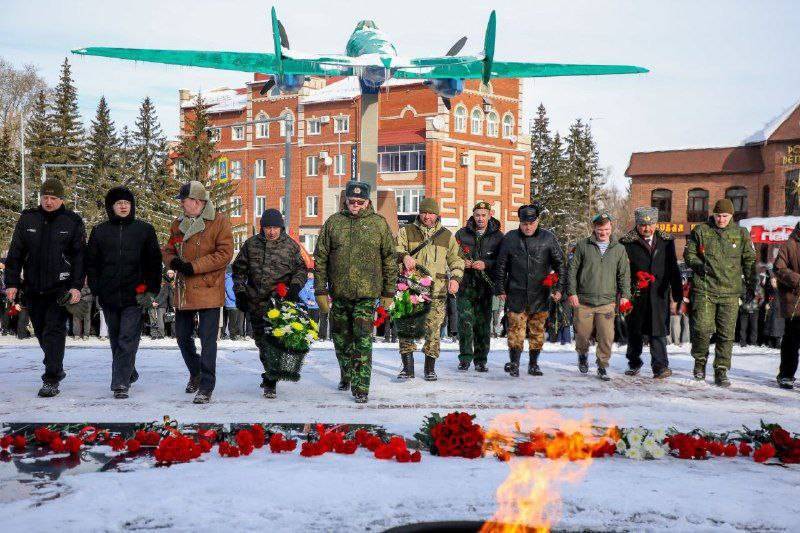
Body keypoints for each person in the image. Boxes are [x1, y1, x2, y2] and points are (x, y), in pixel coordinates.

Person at [314, 181, 396, 403]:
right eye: (352, 202)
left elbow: (389, 258)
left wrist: (388, 292)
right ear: (346, 201)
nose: (356, 206)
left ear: (368, 202)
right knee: (341, 340)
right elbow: (320, 258)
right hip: (340, 293)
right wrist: (320, 290)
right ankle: (347, 372)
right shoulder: (334, 223)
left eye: (360, 202)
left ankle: (361, 388)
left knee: (362, 340)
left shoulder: (379, 224)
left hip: (367, 294)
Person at [4, 178, 86, 397]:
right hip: (32, 287)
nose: (48, 201)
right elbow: (15, 253)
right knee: (41, 332)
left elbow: (79, 258)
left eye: (53, 198)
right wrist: (11, 283)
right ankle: (56, 366)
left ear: (61, 199)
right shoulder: (28, 218)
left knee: (54, 331)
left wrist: (76, 286)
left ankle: (51, 379)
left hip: (60, 289)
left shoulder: (72, 221)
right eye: (45, 197)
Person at [86, 186, 162, 398]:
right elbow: (91, 263)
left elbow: (154, 263)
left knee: (127, 337)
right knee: (116, 337)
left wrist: (150, 290)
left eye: (126, 203)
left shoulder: (144, 230)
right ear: (112, 207)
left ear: (132, 206)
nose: (123, 206)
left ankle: (120, 383)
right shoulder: (100, 231)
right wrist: (96, 288)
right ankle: (128, 371)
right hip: (109, 294)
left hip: (135, 294)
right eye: (118, 203)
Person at [162, 181, 233, 404]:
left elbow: (224, 254)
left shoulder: (219, 221)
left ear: (197, 201)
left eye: (184, 201)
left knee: (208, 339)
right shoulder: (178, 224)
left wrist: (194, 266)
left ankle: (206, 386)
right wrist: (173, 261)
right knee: (182, 337)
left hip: (209, 287)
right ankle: (196, 371)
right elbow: (168, 249)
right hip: (184, 290)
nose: (181, 205)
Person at [232, 208, 308, 398]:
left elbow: (301, 270)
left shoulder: (290, 246)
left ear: (281, 228)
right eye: (267, 227)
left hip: (279, 305)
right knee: (261, 342)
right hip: (256, 302)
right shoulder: (251, 245)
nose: (271, 231)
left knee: (274, 342)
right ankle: (270, 373)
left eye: (275, 227)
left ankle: (270, 381)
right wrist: (240, 293)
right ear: (262, 228)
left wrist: (295, 288)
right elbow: (239, 271)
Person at [684, 199, 756, 387]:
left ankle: (721, 370)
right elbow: (689, 254)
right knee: (702, 329)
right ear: (713, 214)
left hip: (730, 292)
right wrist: (698, 265)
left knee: (726, 334)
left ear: (732, 216)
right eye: (718, 215)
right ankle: (700, 361)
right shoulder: (701, 231)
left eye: (725, 216)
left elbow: (749, 260)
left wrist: (751, 285)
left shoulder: (741, 234)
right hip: (705, 289)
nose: (721, 219)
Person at [396, 197, 464, 381]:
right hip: (411, 290)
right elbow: (394, 249)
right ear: (419, 213)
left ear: (437, 214)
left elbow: (457, 260)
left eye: (431, 213)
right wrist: (403, 256)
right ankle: (408, 369)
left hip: (437, 291)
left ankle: (429, 369)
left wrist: (456, 278)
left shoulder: (447, 236)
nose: (427, 216)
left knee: (433, 331)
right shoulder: (406, 231)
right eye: (424, 212)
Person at [494, 203, 565, 376]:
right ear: (520, 222)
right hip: (516, 292)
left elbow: (561, 265)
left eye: (531, 223)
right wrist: (500, 288)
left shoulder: (548, 238)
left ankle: (533, 364)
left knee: (537, 331)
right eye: (524, 223)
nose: (527, 227)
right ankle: (515, 363)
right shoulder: (510, 238)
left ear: (537, 221)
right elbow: (501, 266)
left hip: (540, 294)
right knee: (515, 331)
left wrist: (559, 288)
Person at [619, 207, 683, 379]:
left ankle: (660, 366)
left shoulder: (666, 241)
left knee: (658, 331)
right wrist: (624, 292)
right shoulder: (626, 242)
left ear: (656, 224)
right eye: (642, 225)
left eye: (650, 224)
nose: (647, 228)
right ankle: (634, 362)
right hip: (637, 294)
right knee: (635, 331)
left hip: (659, 294)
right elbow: (621, 271)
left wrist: (677, 295)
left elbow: (673, 268)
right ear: (637, 224)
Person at [567, 213, 631, 381]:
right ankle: (582, 354)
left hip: (606, 302)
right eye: (600, 229)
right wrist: (572, 292)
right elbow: (572, 271)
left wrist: (625, 295)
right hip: (584, 301)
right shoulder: (582, 246)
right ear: (594, 228)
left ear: (611, 228)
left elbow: (624, 275)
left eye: (607, 229)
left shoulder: (619, 249)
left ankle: (602, 366)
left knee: (606, 336)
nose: (603, 232)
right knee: (582, 334)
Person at [454, 201, 504, 372]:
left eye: (483, 215)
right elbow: (452, 256)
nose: (480, 218)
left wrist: (486, 264)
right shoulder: (462, 234)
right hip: (465, 286)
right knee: (465, 323)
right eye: (477, 215)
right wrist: (462, 263)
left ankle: (481, 359)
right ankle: (465, 358)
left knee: (483, 325)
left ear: (490, 215)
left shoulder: (498, 237)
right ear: (473, 216)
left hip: (485, 287)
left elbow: (502, 262)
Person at [774, 221, 800, 389]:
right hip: (795, 302)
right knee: (792, 340)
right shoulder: (790, 245)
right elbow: (778, 268)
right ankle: (786, 374)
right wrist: (797, 280)